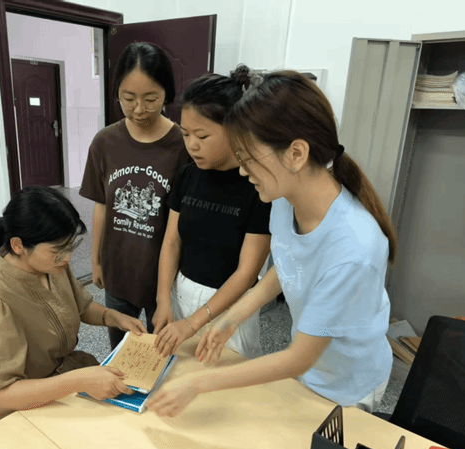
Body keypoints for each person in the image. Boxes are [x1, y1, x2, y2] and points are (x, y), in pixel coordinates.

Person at [147, 70, 397, 417]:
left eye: (249, 159)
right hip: (310, 370)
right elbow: (288, 266)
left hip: (347, 385)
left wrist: (198, 383)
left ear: (296, 154)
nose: (243, 171)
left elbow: (298, 358)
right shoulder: (284, 199)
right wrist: (231, 319)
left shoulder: (354, 249)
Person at [0, 186, 146, 426]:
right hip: (22, 410)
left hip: (66, 381)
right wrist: (78, 381)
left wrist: (113, 317)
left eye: (70, 247)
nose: (67, 258)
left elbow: (80, 306)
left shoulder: (51, 266)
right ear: (18, 245)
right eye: (58, 250)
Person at [152, 68, 271, 359]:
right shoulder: (187, 175)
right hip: (181, 294)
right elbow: (171, 242)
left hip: (230, 307)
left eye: (202, 135)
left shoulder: (259, 185)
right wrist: (163, 299)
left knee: (222, 378)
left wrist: (193, 323)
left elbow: (247, 273)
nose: (192, 144)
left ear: (235, 129)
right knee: (177, 371)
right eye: (185, 134)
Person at [79, 42, 190, 349]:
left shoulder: (183, 145)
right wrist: (96, 261)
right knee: (121, 353)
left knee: (161, 355)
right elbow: (102, 205)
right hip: (118, 270)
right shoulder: (105, 142)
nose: (139, 109)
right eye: (128, 99)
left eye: (151, 99)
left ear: (167, 93)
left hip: (165, 278)